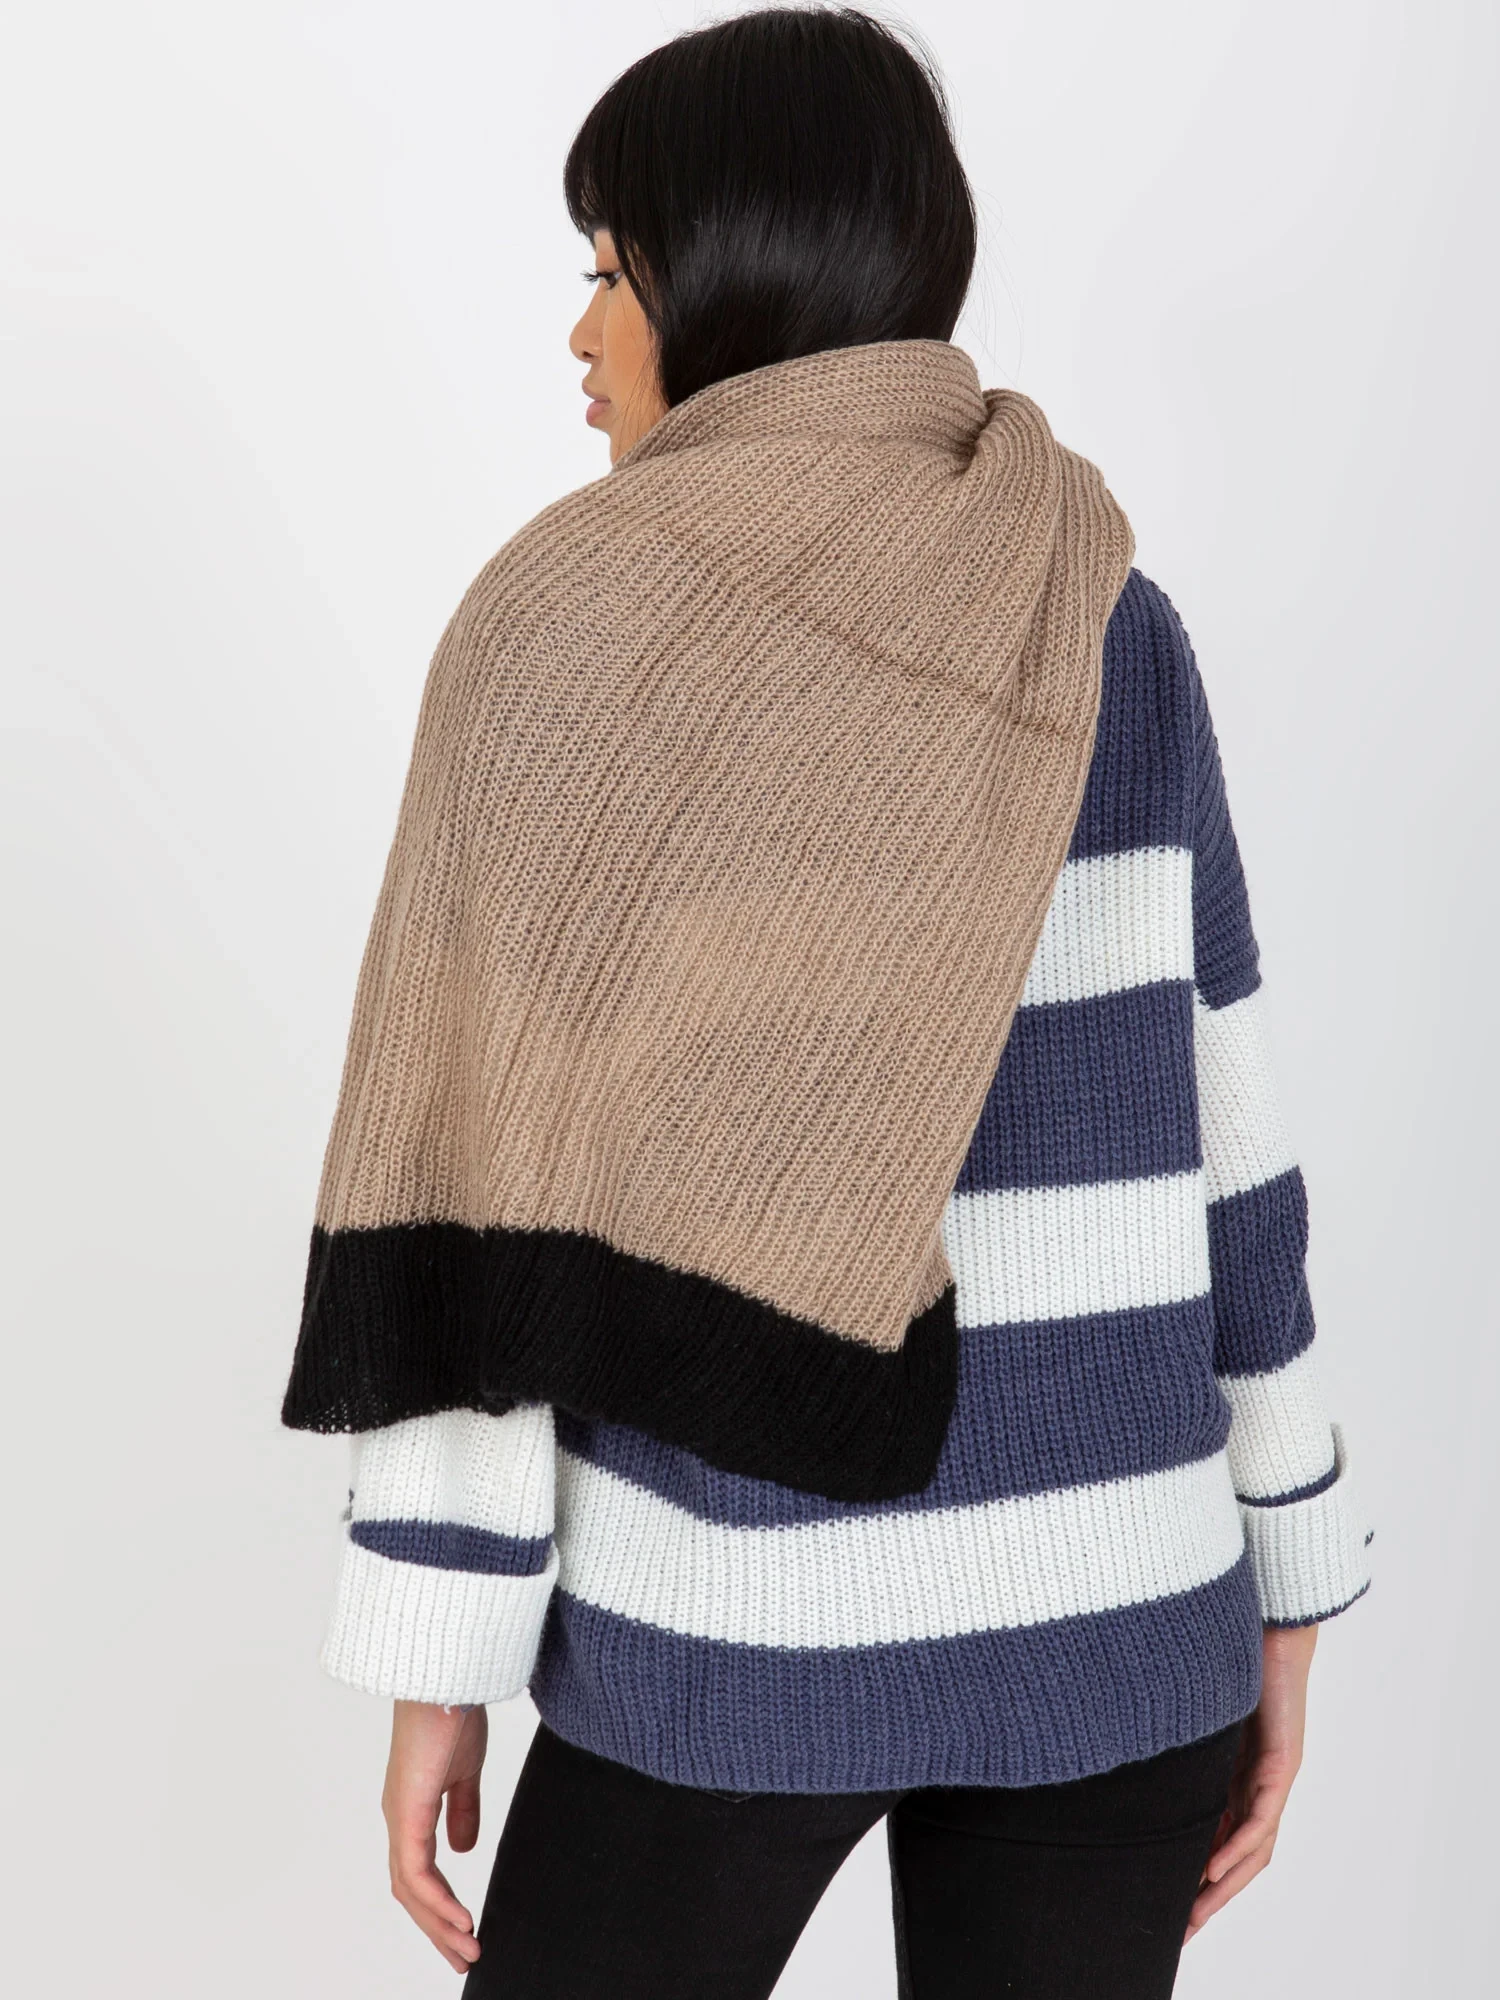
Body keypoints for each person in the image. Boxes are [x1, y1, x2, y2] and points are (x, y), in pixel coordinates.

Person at [280, 10, 1370, 1996]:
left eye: (612, 271)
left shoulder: (565, 631)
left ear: (730, 274)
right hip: (1126, 1611)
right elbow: (1231, 1133)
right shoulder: (1099, 607)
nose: (583, 334)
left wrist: (441, 1648)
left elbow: (478, 1202)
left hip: (732, 1624)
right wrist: (1284, 1568)